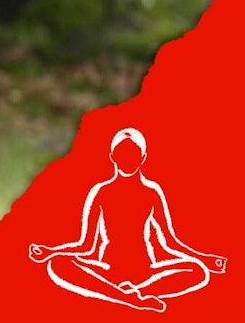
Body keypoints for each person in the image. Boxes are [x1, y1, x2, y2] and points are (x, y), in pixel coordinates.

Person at [29, 128, 226, 312]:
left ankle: (130, 295)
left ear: (142, 157)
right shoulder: (102, 193)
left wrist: (205, 260)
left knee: (198, 271)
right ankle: (129, 298)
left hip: (144, 269)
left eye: (132, 154)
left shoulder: (151, 194)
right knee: (57, 264)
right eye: (122, 154)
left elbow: (169, 242)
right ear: (113, 157)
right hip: (108, 268)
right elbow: (87, 245)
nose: (127, 160)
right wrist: (50, 252)